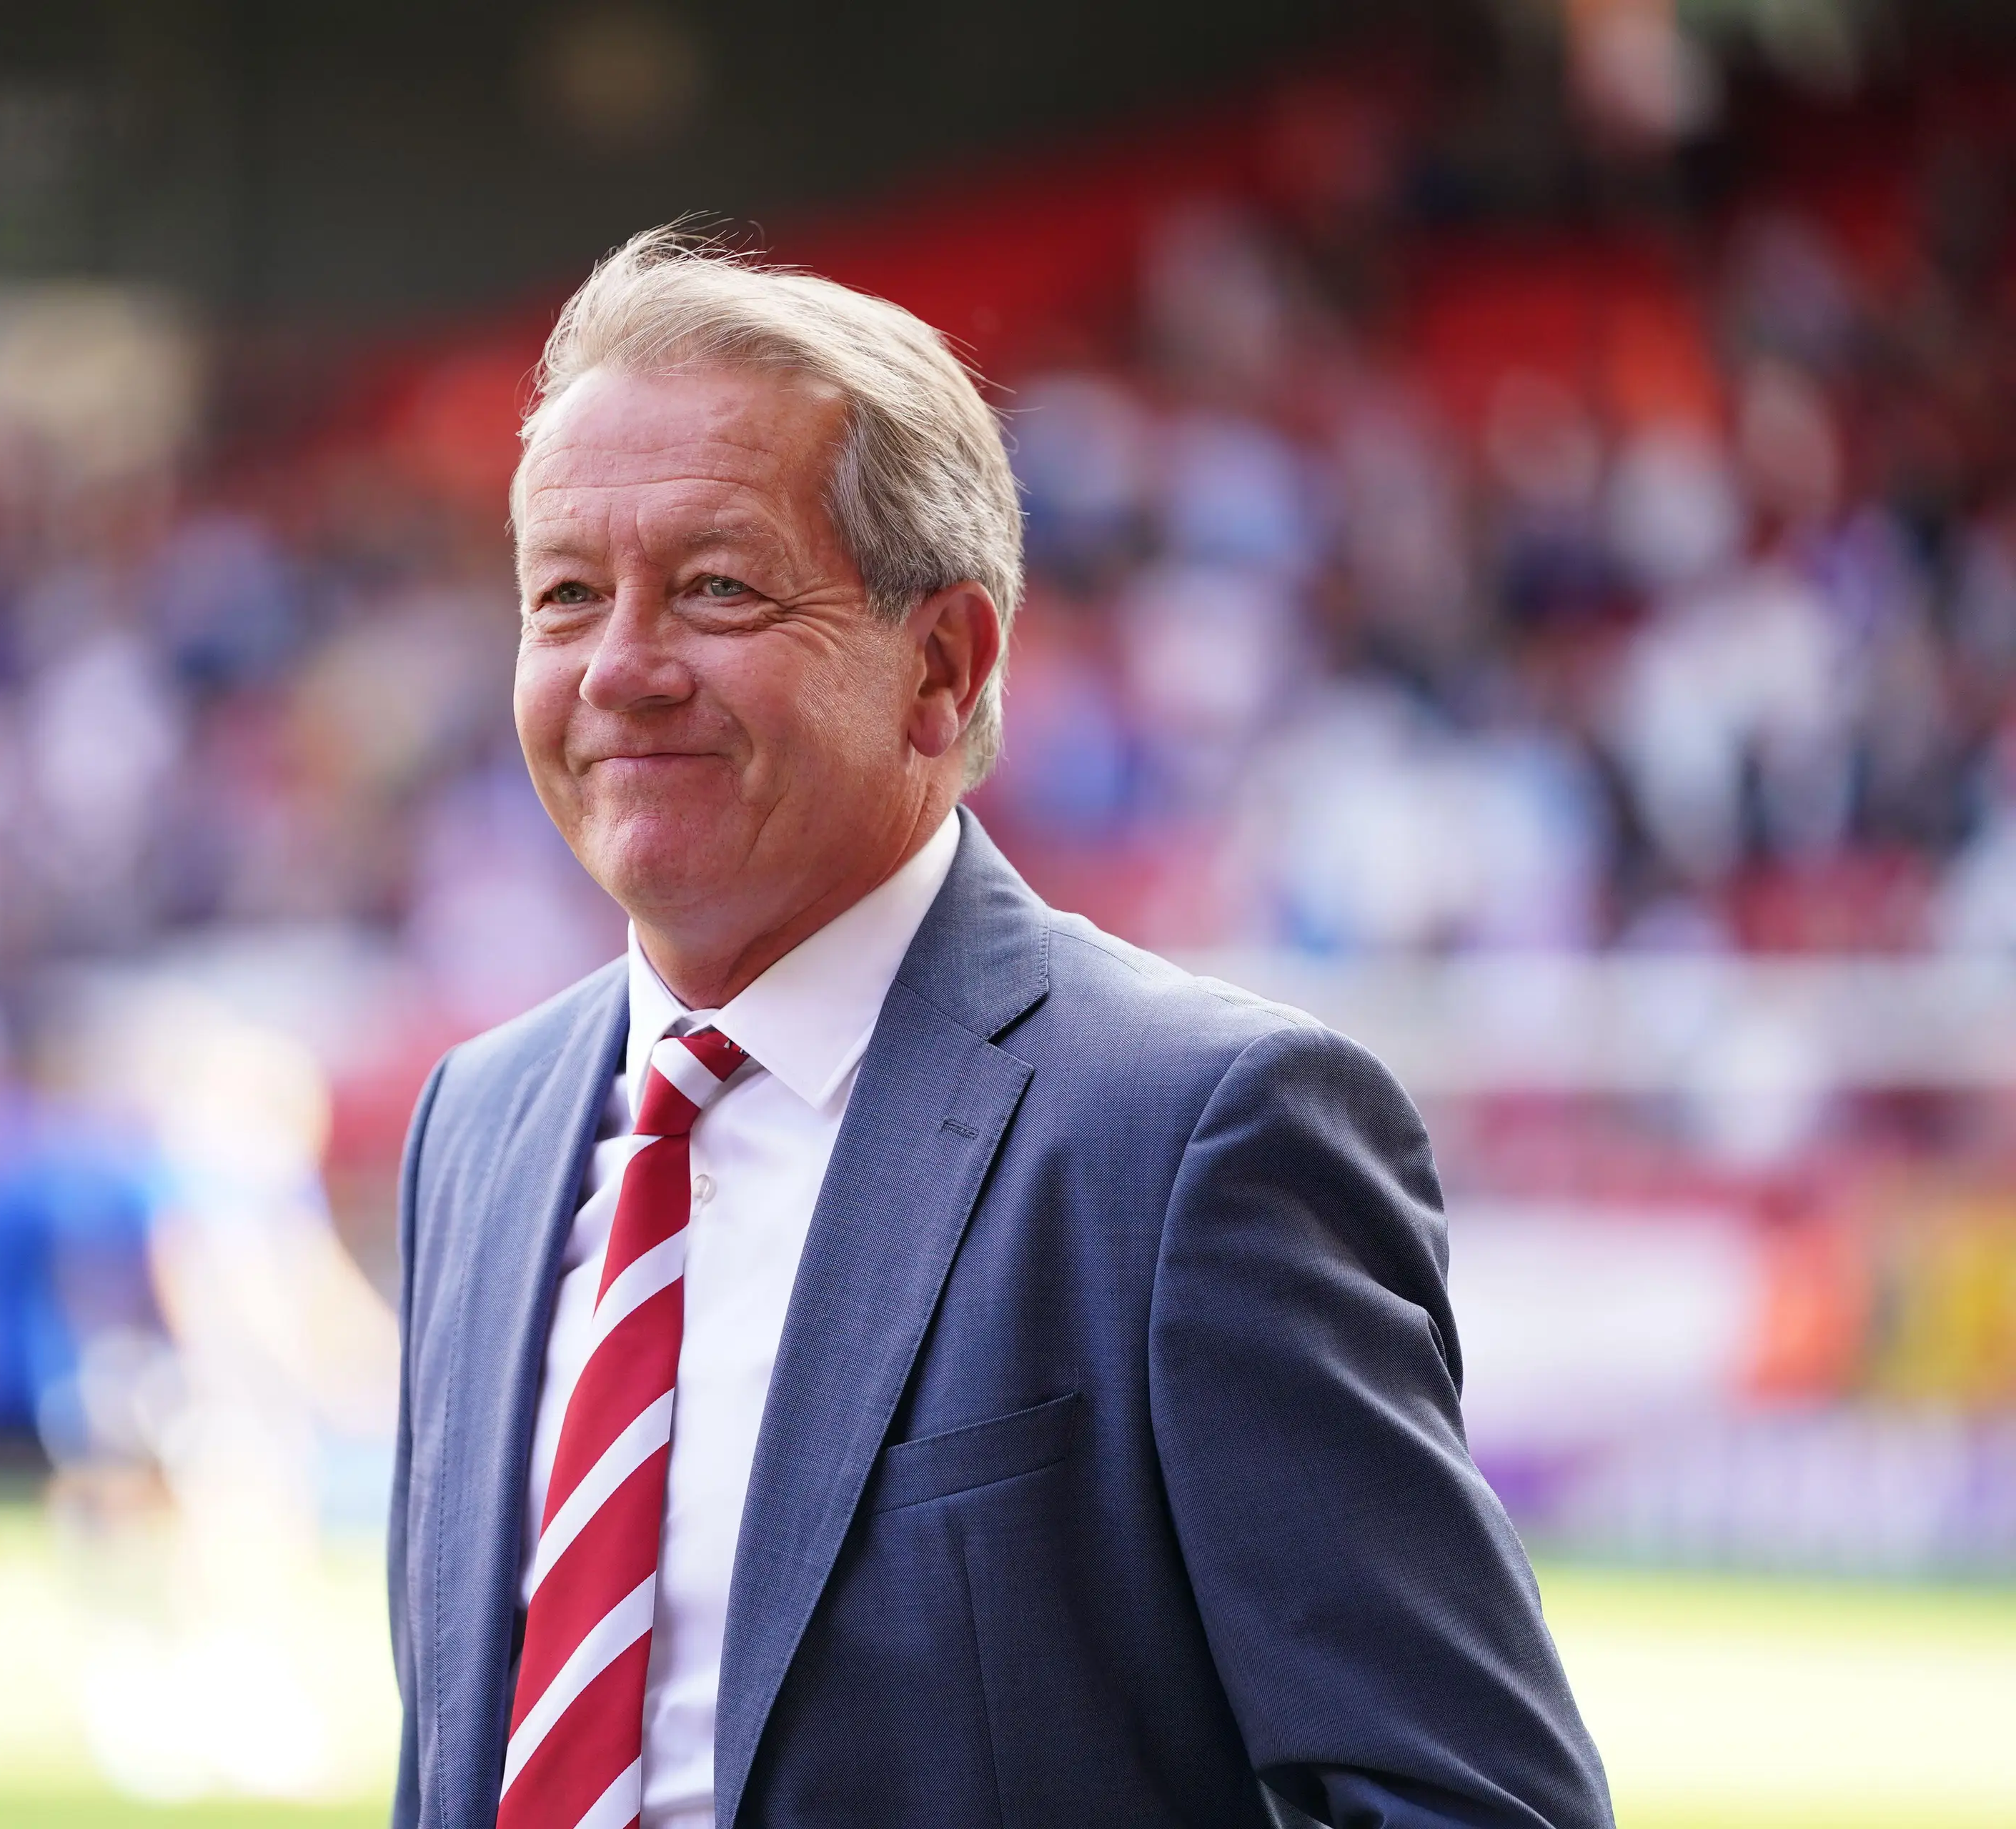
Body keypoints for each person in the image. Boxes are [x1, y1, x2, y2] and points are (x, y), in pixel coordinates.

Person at [386, 228, 1613, 1829]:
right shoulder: (477, 1126)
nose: (621, 668)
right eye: (565, 596)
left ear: (942, 666)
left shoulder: (1196, 1136)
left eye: (716, 587)